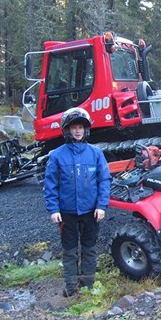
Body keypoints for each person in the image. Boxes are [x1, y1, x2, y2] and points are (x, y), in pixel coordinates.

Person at [43, 107, 111, 297]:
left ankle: (88, 286)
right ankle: (71, 288)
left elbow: (104, 180)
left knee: (89, 249)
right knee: (70, 252)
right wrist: (53, 209)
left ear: (86, 129)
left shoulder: (96, 153)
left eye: (81, 127)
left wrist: (101, 205)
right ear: (67, 130)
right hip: (67, 213)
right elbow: (50, 184)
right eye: (74, 128)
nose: (78, 131)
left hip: (91, 212)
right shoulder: (57, 155)